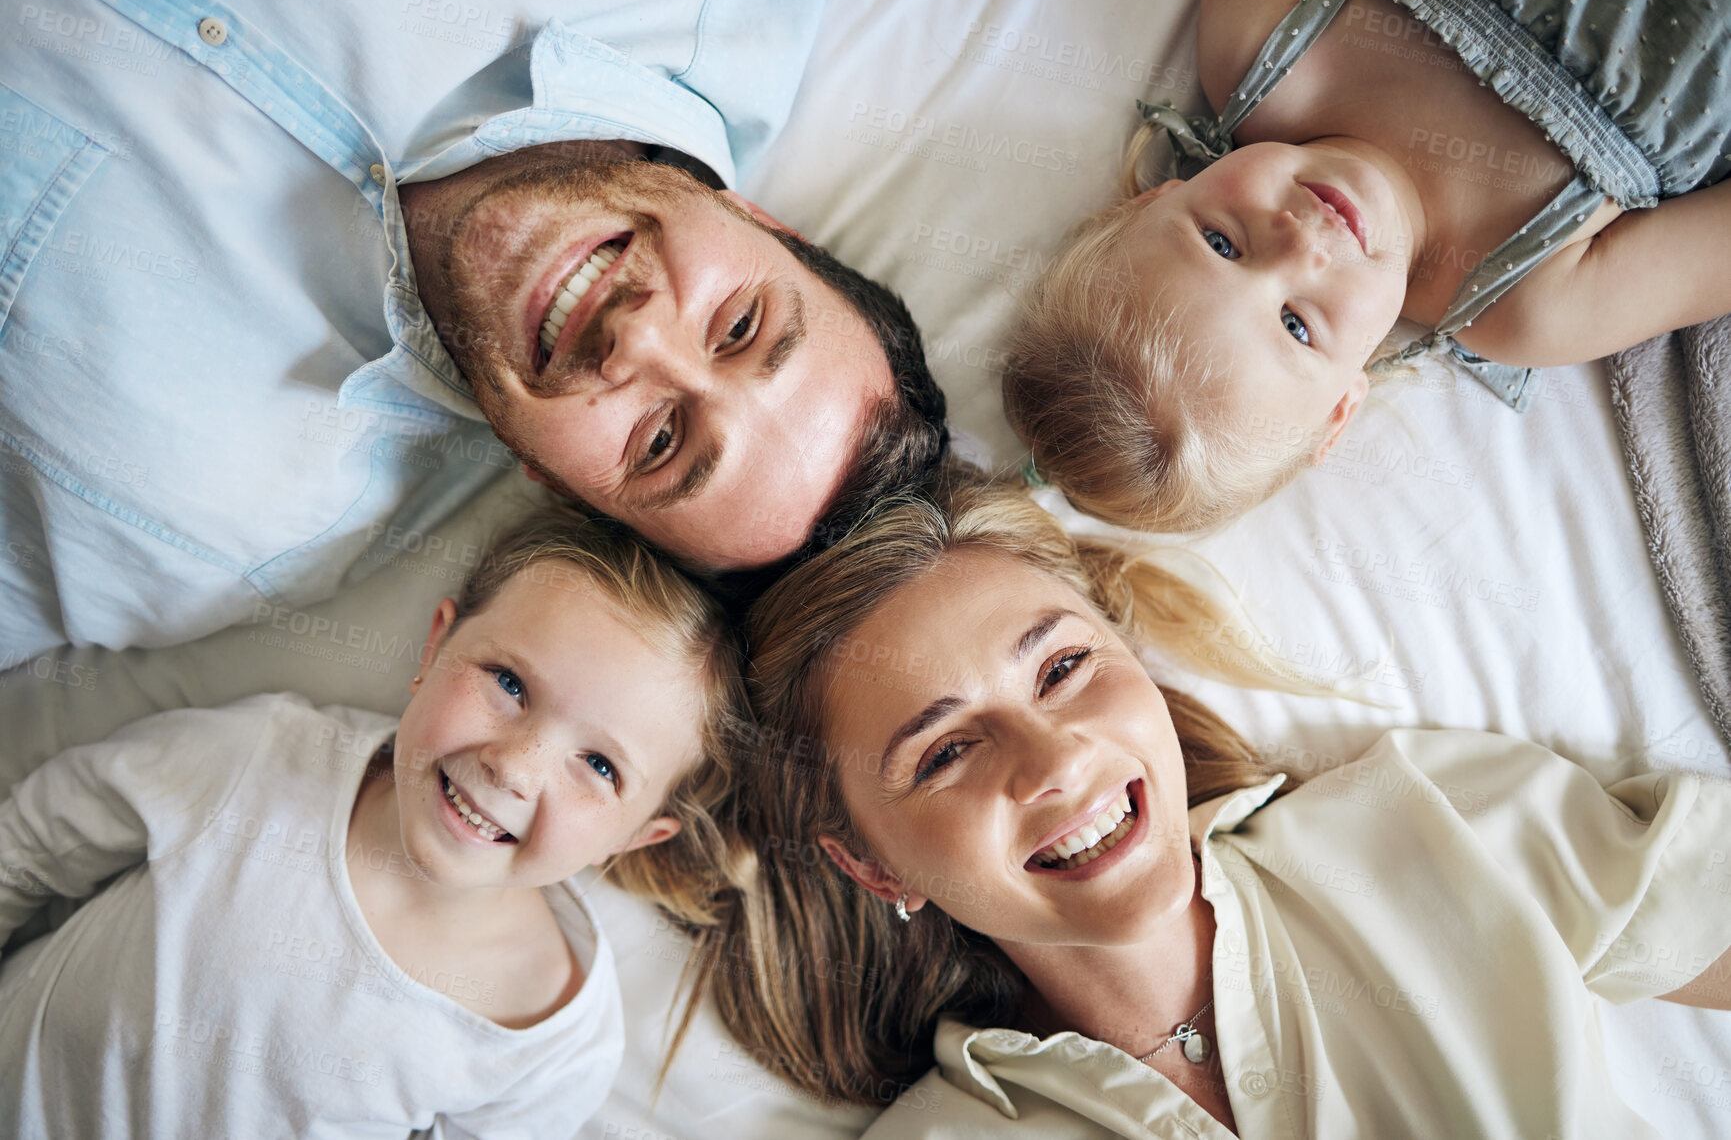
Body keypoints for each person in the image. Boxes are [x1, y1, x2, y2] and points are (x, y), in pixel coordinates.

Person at [661, 472, 1731, 1135]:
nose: (1051, 764)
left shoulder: (1435, 827)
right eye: (943, 753)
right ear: (872, 866)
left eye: (1063, 669)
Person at [0, 0, 947, 661]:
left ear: (556, 484)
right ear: (765, 224)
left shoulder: (204, 526)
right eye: (739, 324)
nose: (637, 342)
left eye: (660, 441)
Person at [0, 504, 748, 1138]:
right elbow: (28, 845)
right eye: (509, 683)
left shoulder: (552, 1045)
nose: (514, 767)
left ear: (633, 836)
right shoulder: (258, 760)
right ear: (434, 646)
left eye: (600, 765)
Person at [1002, 0, 1731, 533]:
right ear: (1341, 408)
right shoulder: (1524, 303)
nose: (1301, 242)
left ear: (1146, 201)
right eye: (1294, 325)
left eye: (1220, 244)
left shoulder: (1260, 44)